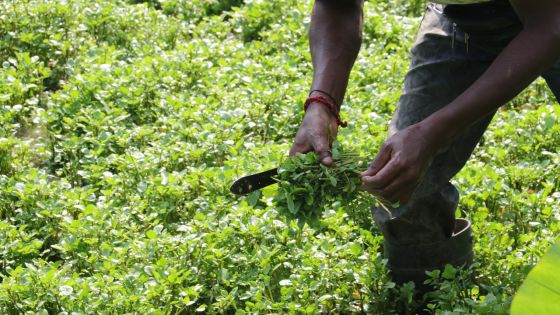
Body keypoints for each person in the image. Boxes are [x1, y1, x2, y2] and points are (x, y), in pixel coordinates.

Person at [290, 0, 560, 298]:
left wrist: (435, 132)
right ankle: (431, 296)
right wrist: (323, 102)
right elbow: (337, 6)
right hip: (465, 21)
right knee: (405, 188)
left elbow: (551, 26)